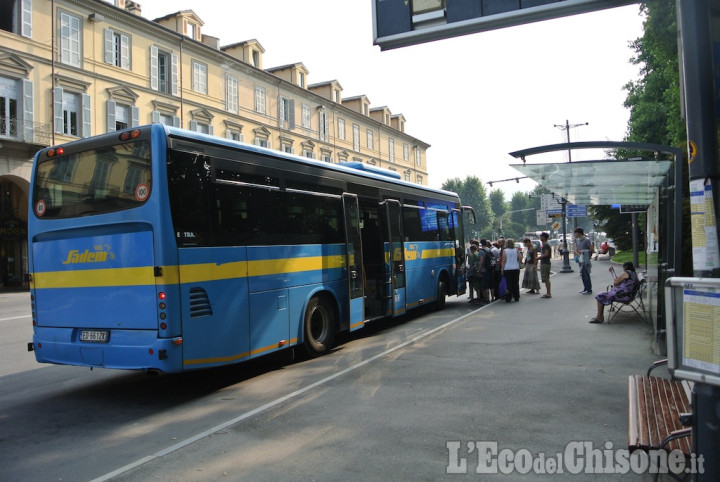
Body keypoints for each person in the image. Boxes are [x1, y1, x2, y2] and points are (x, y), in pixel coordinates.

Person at [500, 238, 522, 302]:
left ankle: (508, 297)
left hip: (508, 268)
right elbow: (520, 257)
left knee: (509, 283)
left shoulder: (505, 251)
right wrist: (517, 261)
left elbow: (504, 260)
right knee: (515, 283)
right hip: (516, 268)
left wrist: (502, 269)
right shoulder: (516, 250)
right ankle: (516, 296)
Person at [574, 227, 594, 294]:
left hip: (585, 259)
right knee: (582, 274)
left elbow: (591, 249)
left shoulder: (586, 240)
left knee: (586, 274)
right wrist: (578, 254)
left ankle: (589, 289)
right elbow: (576, 249)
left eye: (576, 233)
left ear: (579, 233)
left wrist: (584, 251)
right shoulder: (577, 240)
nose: (575, 234)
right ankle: (585, 288)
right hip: (580, 259)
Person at [538, 232, 552, 298]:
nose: (540, 238)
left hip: (545, 263)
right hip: (545, 262)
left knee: (546, 278)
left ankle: (548, 293)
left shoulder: (545, 245)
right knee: (546, 278)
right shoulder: (545, 244)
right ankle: (548, 292)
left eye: (541, 236)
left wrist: (538, 258)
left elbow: (546, 254)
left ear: (544, 237)